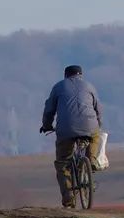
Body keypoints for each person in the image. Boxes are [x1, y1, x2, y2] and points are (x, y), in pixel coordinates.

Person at [40, 64, 104, 207]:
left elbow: (49, 109)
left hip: (66, 129)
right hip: (90, 126)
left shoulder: (58, 87)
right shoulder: (90, 86)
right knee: (95, 137)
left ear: (66, 75)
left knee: (63, 163)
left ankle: (68, 198)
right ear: (81, 74)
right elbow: (98, 108)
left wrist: (46, 126)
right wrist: (98, 124)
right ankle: (91, 161)